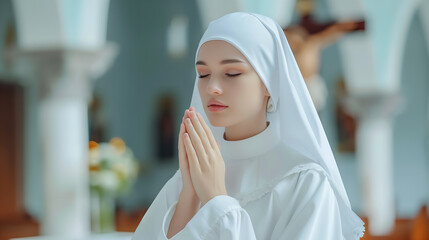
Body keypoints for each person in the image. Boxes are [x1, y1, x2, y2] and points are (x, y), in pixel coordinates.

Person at [132, 12, 365, 239]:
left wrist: (216, 200)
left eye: (232, 73)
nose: (212, 87)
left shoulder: (306, 183)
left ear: (269, 82)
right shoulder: (190, 177)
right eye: (203, 74)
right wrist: (189, 196)